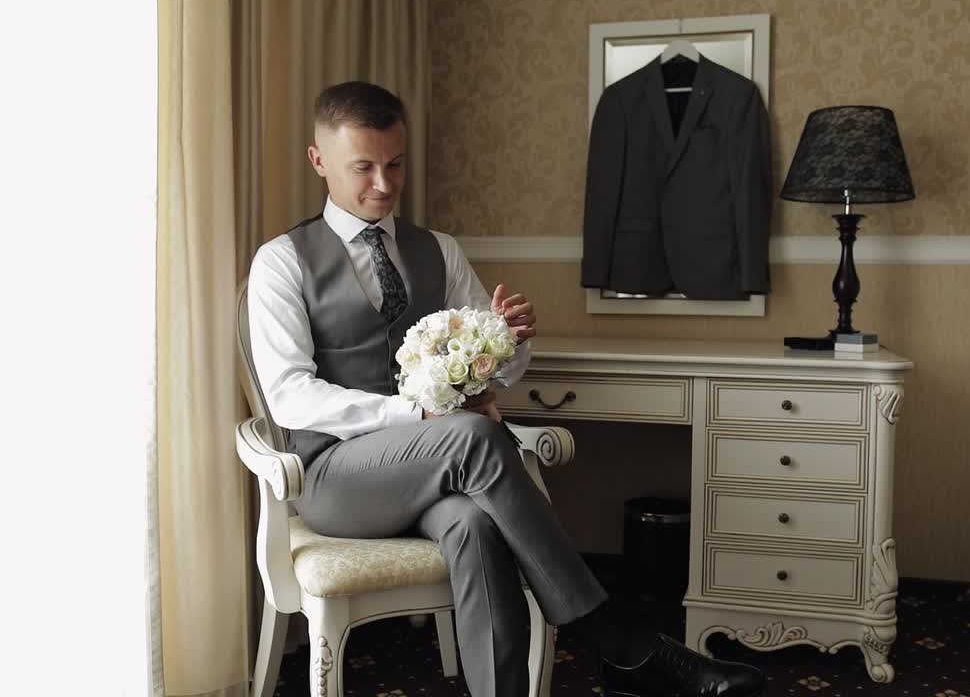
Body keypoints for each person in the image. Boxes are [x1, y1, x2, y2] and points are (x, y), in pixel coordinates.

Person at [246, 80, 766, 697]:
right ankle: (619, 641)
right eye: (363, 167)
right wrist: (413, 412)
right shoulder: (281, 261)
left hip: (441, 472)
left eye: (396, 164)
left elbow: (496, 373)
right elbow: (289, 395)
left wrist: (510, 343)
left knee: (473, 524)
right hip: (336, 477)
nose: (384, 184)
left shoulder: (439, 250)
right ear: (319, 161)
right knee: (472, 432)